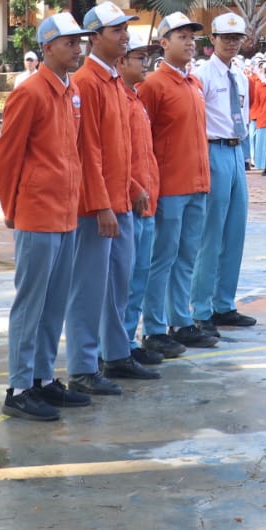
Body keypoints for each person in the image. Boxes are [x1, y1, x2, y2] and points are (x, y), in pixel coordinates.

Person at [0, 11, 93, 423]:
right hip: (37, 212)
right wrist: (11, 208)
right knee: (31, 302)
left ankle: (42, 377)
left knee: (54, 302)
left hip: (65, 211)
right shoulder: (31, 92)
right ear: (48, 47)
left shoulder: (70, 91)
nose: (78, 49)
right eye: (70, 43)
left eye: (79, 42)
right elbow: (7, 155)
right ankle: (19, 387)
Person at [62, 1, 146, 397]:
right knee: (89, 288)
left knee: (118, 284)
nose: (125, 36)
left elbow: (118, 149)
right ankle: (83, 366)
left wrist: (131, 187)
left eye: (125, 29)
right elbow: (87, 151)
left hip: (118, 202)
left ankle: (116, 353)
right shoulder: (87, 83)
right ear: (94, 38)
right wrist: (101, 205)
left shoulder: (113, 80)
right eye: (117, 30)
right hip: (98, 209)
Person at [136, 13, 214, 355]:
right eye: (182, 36)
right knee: (162, 258)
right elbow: (142, 137)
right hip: (169, 186)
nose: (189, 42)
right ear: (163, 43)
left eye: (191, 37)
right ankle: (154, 328)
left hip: (196, 183)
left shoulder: (193, 83)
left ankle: (180, 321)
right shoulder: (153, 85)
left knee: (186, 257)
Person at [193, 12, 256, 336]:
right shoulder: (201, 75)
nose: (232, 43)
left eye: (237, 38)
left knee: (234, 231)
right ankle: (201, 309)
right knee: (210, 233)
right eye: (226, 38)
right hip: (213, 150)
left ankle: (224, 303)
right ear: (213, 39)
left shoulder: (240, 76)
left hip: (235, 151)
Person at [119, 42, 166, 370]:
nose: (145, 63)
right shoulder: (117, 99)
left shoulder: (135, 98)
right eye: (139, 57)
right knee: (123, 282)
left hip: (147, 202)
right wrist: (134, 187)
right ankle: (114, 346)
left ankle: (127, 341)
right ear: (121, 61)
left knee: (139, 279)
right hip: (130, 201)